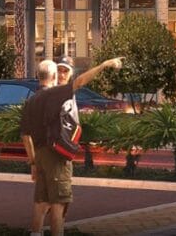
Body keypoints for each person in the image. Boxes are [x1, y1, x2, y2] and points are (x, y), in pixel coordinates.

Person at [19, 54, 120, 236]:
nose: (61, 74)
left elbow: (26, 136)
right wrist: (104, 65)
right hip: (56, 156)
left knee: (41, 203)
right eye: (59, 71)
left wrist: (33, 162)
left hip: (40, 156)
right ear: (53, 76)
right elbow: (80, 82)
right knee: (58, 206)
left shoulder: (30, 101)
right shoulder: (54, 94)